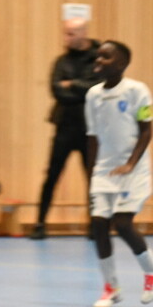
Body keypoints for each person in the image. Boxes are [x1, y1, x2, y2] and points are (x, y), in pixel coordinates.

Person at [83, 40, 152, 307]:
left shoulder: (137, 90)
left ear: (122, 63)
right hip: (104, 170)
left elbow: (146, 130)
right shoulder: (93, 95)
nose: (98, 61)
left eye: (106, 57)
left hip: (133, 170)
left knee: (122, 224)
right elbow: (92, 137)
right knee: (99, 225)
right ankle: (111, 288)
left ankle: (151, 273)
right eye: (98, 56)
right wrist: (92, 172)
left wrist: (131, 163)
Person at [32, 18, 102, 239]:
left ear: (83, 33)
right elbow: (56, 91)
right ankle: (40, 224)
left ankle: (95, 226)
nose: (67, 38)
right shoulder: (61, 61)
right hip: (64, 127)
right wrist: (81, 89)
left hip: (90, 129)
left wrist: (71, 83)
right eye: (65, 33)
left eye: (71, 34)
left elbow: (97, 89)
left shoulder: (99, 59)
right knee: (51, 175)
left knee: (93, 179)